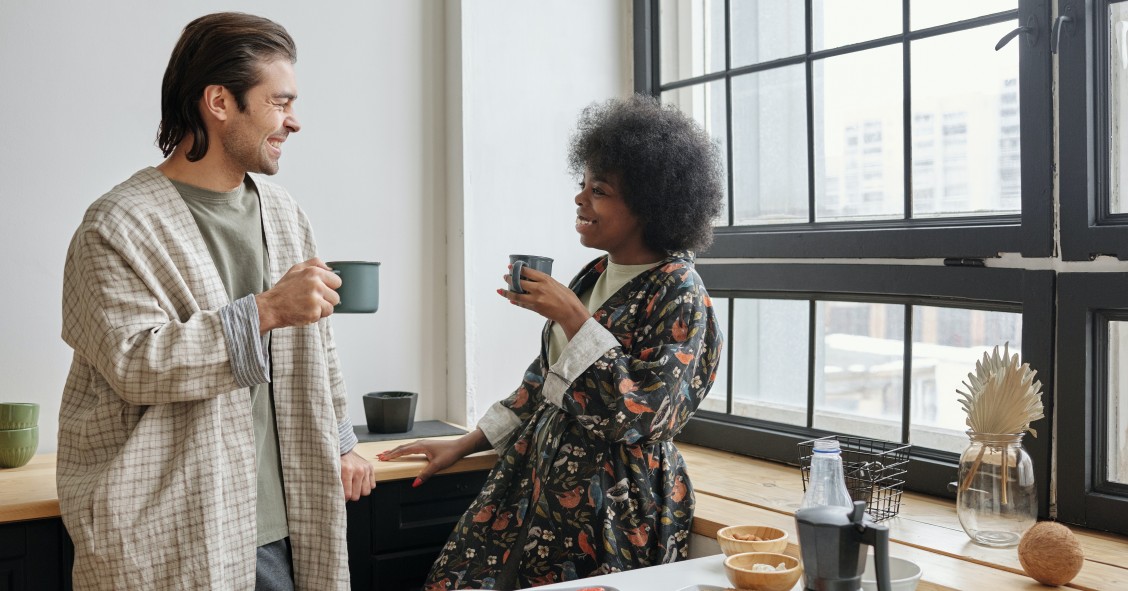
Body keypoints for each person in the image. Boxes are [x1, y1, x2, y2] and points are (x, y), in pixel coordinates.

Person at [57, 12, 373, 590]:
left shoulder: (284, 213)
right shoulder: (118, 225)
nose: (294, 121)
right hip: (173, 534)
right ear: (220, 102)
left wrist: (344, 441)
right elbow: (136, 363)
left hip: (284, 524)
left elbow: (318, 346)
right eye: (279, 102)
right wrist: (267, 310)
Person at [379, 94, 725, 589]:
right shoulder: (595, 273)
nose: (580, 199)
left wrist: (572, 316)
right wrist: (465, 443)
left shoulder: (678, 289)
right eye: (582, 185)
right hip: (536, 480)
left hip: (614, 502)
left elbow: (649, 414)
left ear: (650, 205)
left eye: (599, 191)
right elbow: (545, 383)